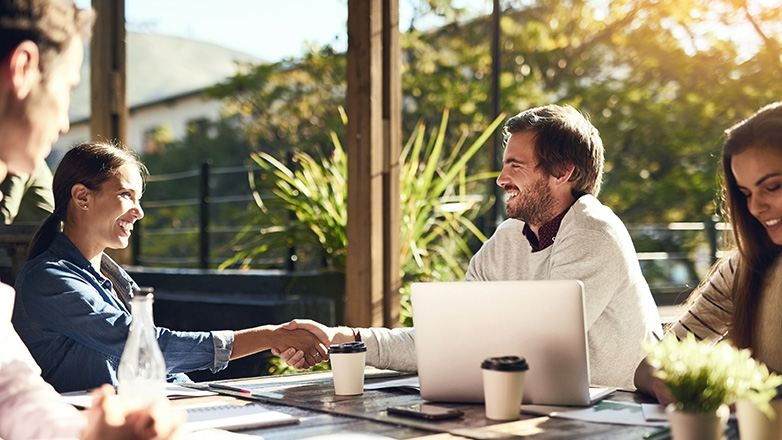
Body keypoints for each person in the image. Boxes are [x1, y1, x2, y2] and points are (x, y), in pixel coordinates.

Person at [278, 104, 663, 389]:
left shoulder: (595, 231)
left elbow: (541, 349)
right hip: (534, 406)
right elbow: (444, 340)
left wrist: (461, 349)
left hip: (619, 414)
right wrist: (340, 338)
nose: (500, 178)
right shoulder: (505, 241)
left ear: (563, 172)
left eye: (516, 165)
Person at [0, 0, 184, 438]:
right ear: (23, 68)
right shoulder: (50, 276)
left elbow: (11, 390)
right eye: (67, 87)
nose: (64, 122)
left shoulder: (112, 277)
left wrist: (89, 433)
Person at [12, 140, 329, 393]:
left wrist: (213, 395)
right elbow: (144, 347)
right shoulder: (49, 280)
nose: (139, 212)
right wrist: (269, 337)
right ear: (82, 197)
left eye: (139, 198)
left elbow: (155, 369)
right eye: (126, 195)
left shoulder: (114, 279)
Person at [634, 102, 782, 403]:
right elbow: (652, 366)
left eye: (773, 186)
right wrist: (671, 381)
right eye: (746, 194)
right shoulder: (742, 269)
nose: (754, 208)